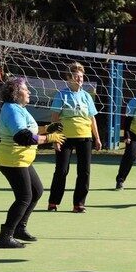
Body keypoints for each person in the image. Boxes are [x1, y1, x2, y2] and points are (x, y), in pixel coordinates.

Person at [0, 77, 65, 248]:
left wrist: (47, 128)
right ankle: (5, 236)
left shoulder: (19, 109)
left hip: (21, 159)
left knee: (36, 191)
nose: (29, 92)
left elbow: (29, 130)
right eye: (26, 89)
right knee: (24, 197)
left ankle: (20, 228)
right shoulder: (12, 109)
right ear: (16, 93)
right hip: (12, 159)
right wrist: (49, 138)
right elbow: (23, 137)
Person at [47, 62, 101, 213]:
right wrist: (54, 138)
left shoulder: (86, 96)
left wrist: (97, 138)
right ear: (69, 78)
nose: (79, 79)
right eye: (76, 76)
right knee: (62, 170)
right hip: (65, 138)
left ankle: (79, 204)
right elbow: (55, 118)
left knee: (84, 171)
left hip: (85, 137)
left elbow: (92, 118)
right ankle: (53, 202)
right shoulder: (62, 95)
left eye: (81, 76)